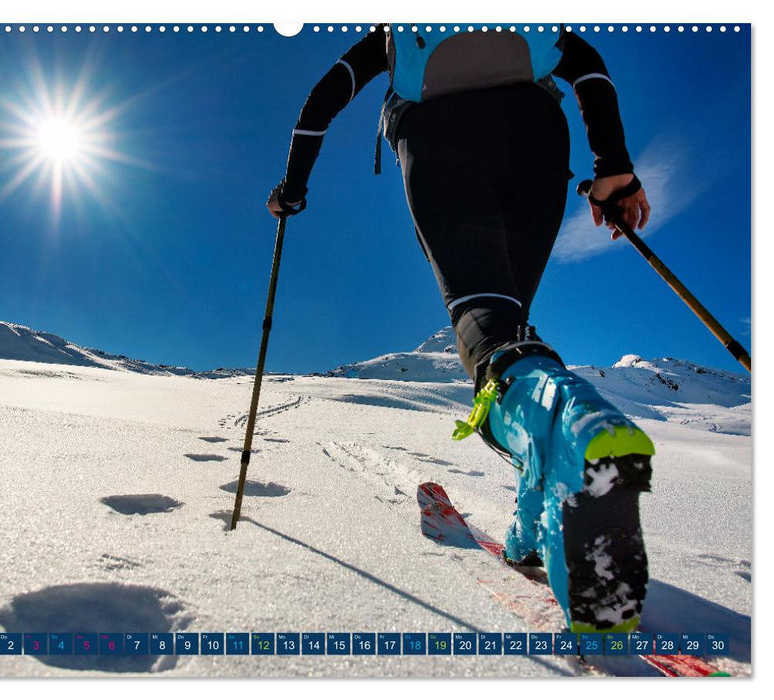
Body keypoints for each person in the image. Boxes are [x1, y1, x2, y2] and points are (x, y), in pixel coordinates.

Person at [267, 24, 654, 633]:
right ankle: (530, 533)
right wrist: (614, 167)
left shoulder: (399, 27)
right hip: (536, 136)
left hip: (437, 134)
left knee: (489, 331)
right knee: (511, 331)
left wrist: (293, 187)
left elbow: (325, 97)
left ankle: (576, 425)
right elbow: (588, 68)